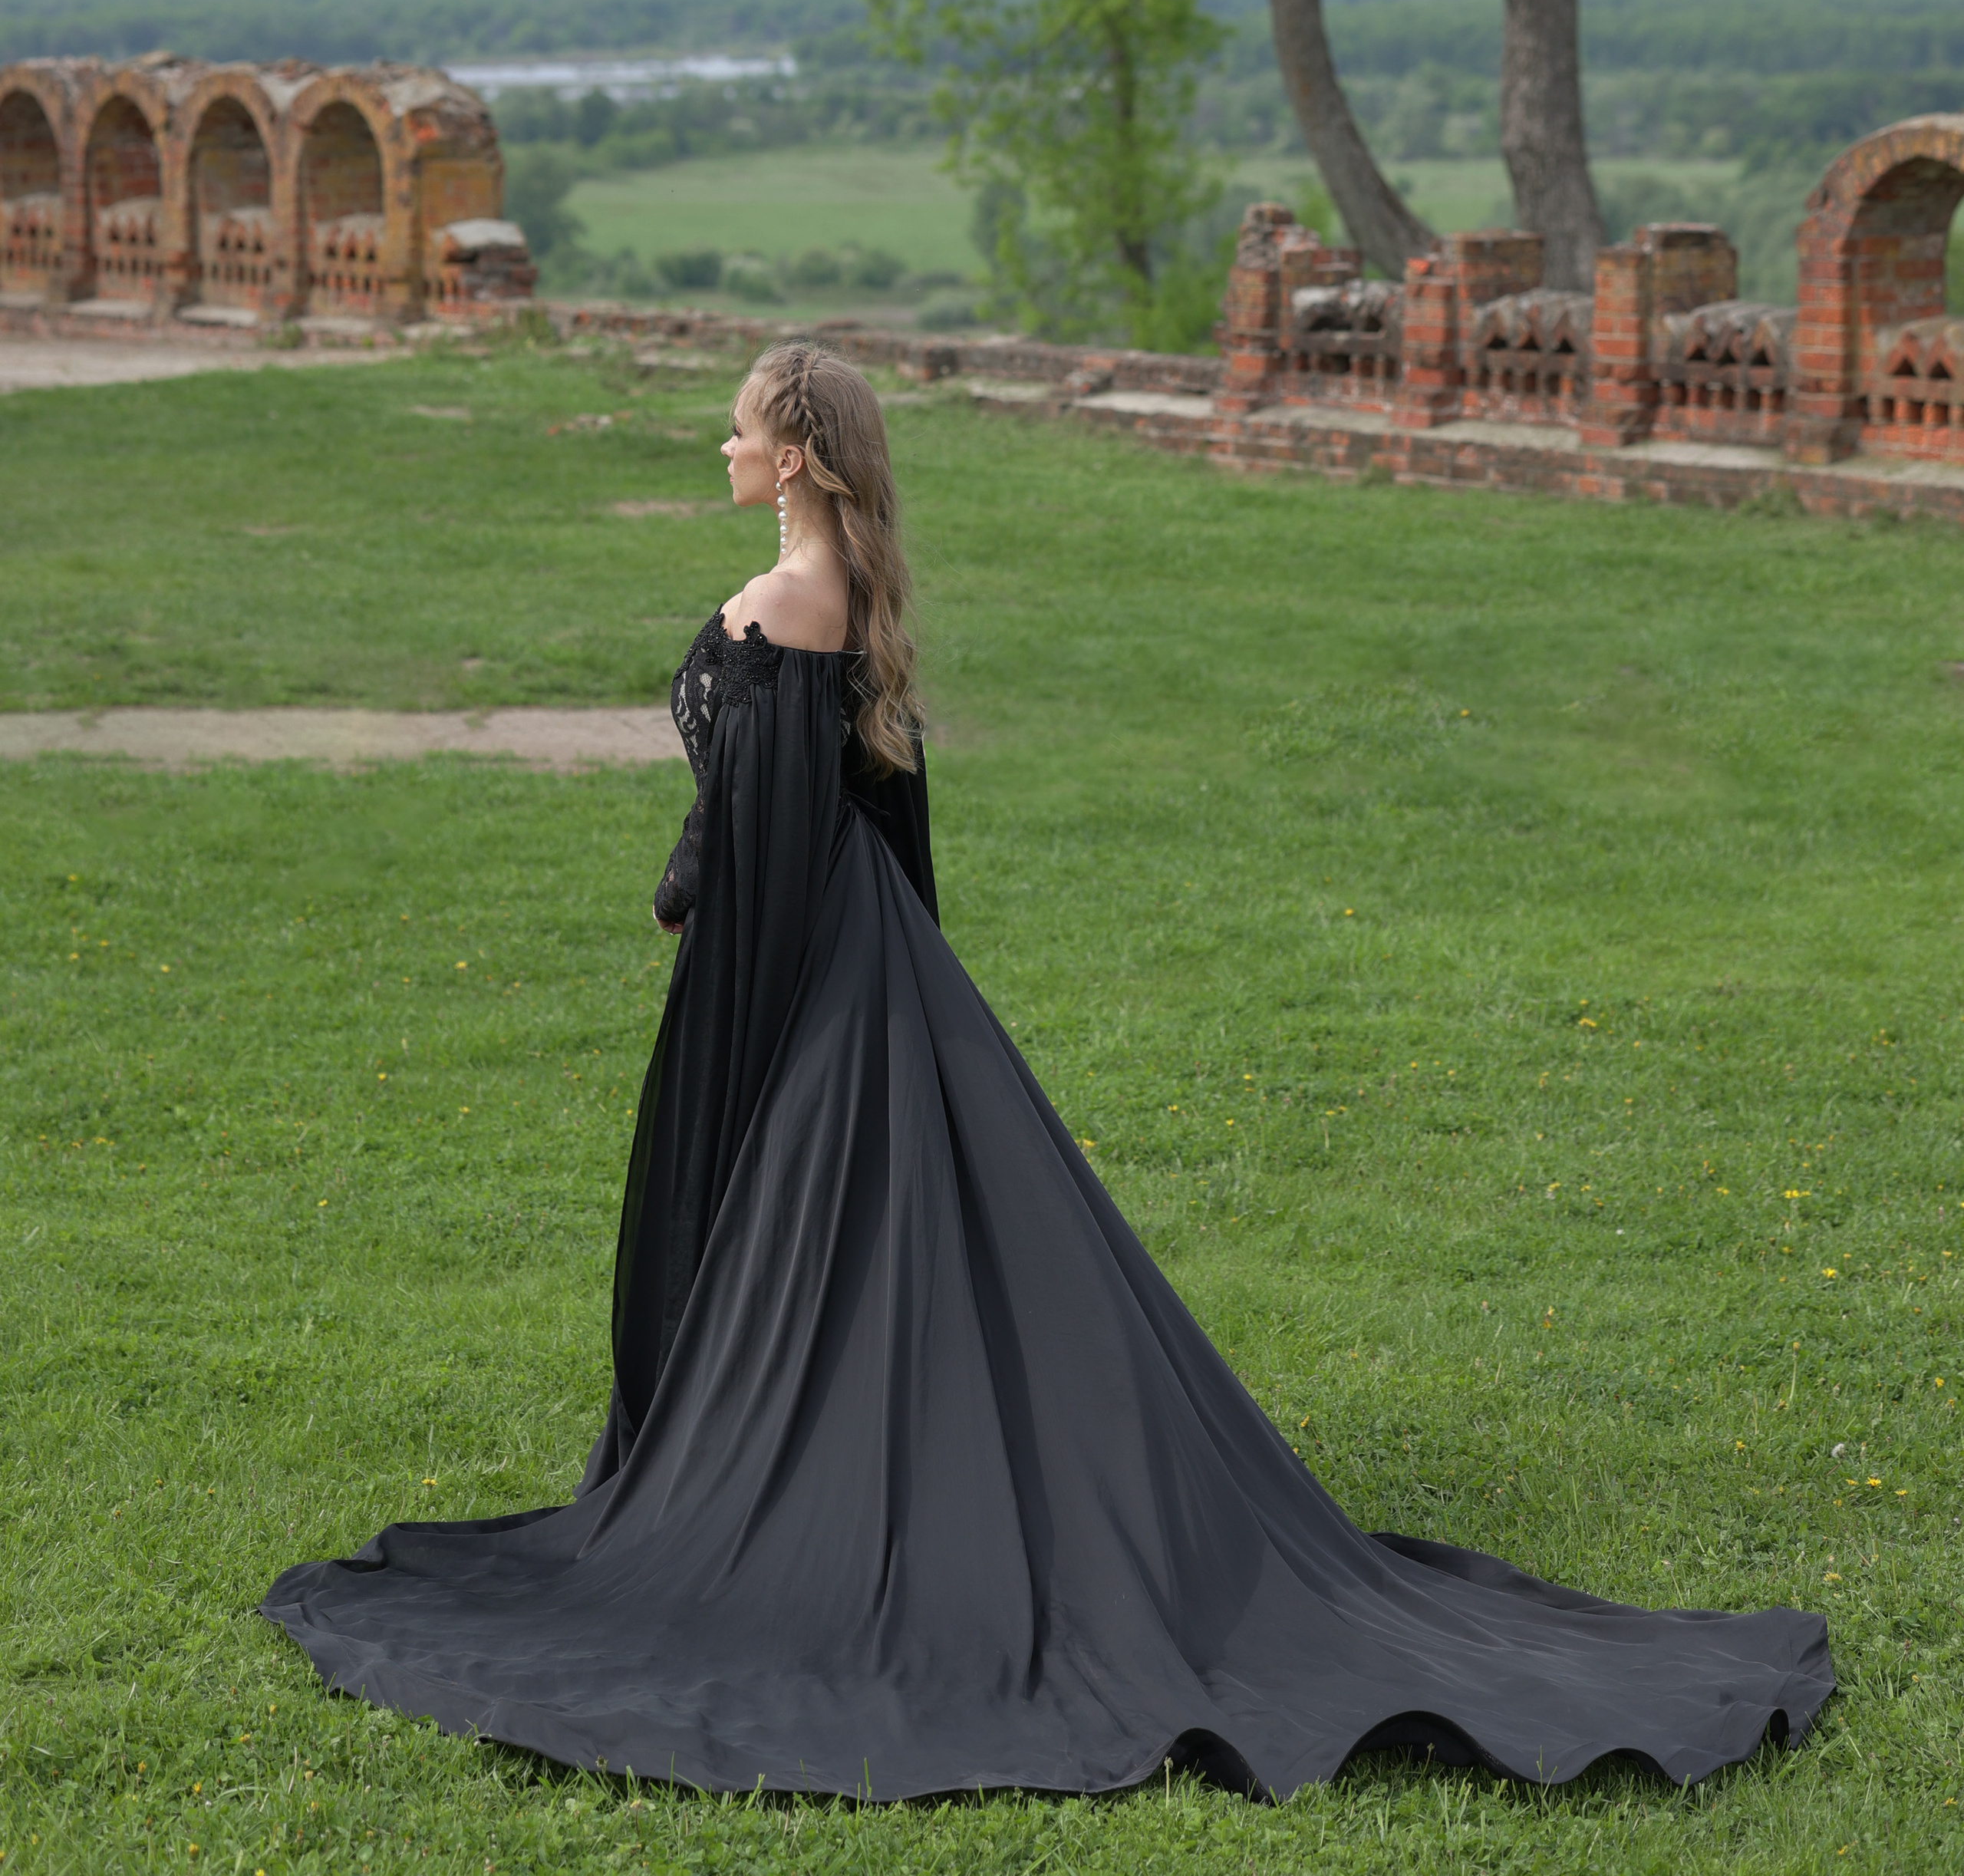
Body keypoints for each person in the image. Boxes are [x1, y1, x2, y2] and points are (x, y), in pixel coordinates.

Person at [263, 341, 1831, 1798]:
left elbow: (776, 834)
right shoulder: (839, 601)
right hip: (854, 964)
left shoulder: (789, 604)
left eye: (742, 425)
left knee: (847, 1265)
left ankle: (842, 1505)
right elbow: (835, 811)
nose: (722, 444)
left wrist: (722, 958)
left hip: (811, 979)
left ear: (798, 454)